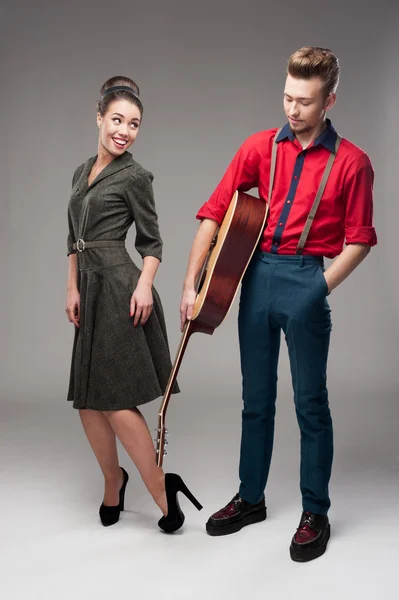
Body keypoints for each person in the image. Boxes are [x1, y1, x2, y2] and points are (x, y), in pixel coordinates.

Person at [180, 47, 377, 561]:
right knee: (255, 399)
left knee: (311, 404)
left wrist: (320, 288)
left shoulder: (353, 163)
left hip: (309, 278)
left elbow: (359, 238)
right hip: (257, 276)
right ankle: (250, 499)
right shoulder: (259, 147)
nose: (292, 109)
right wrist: (190, 281)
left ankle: (316, 511)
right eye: (287, 97)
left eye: (305, 101)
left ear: (329, 99)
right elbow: (216, 207)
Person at [65, 76, 201, 532]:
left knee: (118, 401)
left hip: (123, 290)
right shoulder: (81, 172)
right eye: (117, 119)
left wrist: (144, 286)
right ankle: (113, 480)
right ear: (99, 117)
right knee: (88, 401)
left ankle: (163, 491)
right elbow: (73, 241)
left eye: (134, 123)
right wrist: (72, 287)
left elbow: (152, 241)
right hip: (90, 290)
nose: (124, 130)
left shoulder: (136, 176)